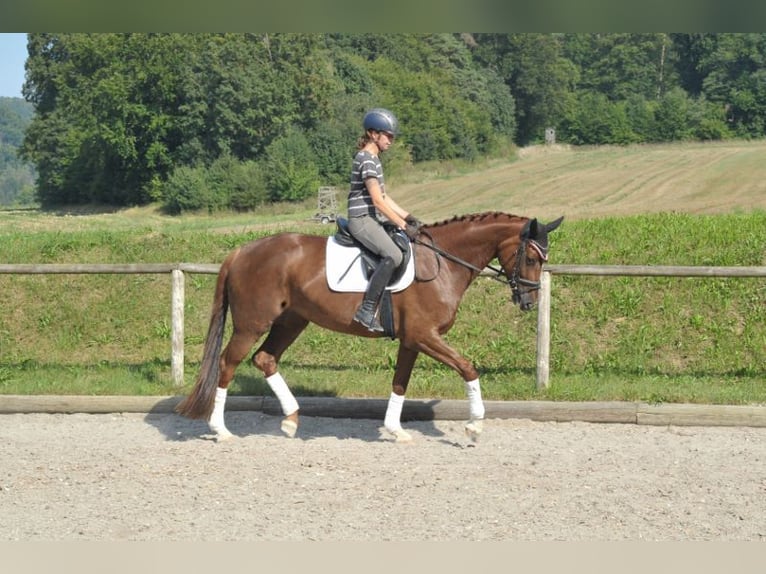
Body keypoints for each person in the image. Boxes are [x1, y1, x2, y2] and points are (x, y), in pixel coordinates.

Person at [347, 108, 422, 332]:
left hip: (370, 218)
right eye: (388, 135)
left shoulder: (374, 160)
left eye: (392, 136)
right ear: (373, 134)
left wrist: (408, 216)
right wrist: (403, 226)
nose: (391, 140)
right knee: (394, 254)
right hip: (361, 219)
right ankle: (367, 310)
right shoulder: (367, 160)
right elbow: (377, 201)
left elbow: (385, 197)